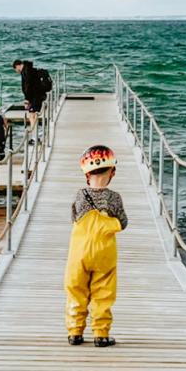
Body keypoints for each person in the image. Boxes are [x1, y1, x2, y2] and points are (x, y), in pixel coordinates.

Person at [64, 145, 125, 347]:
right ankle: (101, 334)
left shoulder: (80, 195)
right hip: (104, 253)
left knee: (76, 290)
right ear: (112, 172)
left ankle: (75, 332)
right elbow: (123, 222)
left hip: (78, 252)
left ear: (86, 175)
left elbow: (73, 217)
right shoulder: (114, 198)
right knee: (104, 292)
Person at [11, 59, 51, 137]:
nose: (17, 72)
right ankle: (36, 134)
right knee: (33, 115)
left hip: (35, 97)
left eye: (15, 70)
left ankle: (34, 136)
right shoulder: (28, 69)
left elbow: (28, 86)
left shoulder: (26, 72)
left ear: (17, 66)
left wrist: (27, 100)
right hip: (37, 96)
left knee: (32, 115)